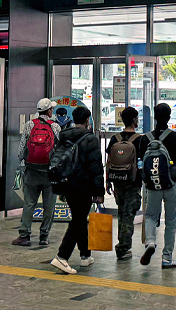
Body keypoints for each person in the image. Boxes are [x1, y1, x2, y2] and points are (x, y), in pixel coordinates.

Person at [51, 106, 104, 275]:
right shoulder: (91, 139)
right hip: (84, 186)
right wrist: (99, 192)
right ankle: (62, 256)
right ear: (88, 120)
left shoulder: (64, 136)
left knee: (79, 218)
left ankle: (85, 255)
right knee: (78, 220)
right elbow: (96, 167)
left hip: (67, 184)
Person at [138, 102, 176, 269]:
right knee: (171, 221)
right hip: (171, 184)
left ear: (155, 117)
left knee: (151, 216)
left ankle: (150, 242)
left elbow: (141, 162)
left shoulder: (145, 139)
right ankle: (167, 258)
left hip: (152, 185)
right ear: (169, 116)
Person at [12, 98, 62, 247]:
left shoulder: (29, 125)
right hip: (49, 173)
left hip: (31, 171)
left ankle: (24, 235)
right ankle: (44, 236)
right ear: (48, 111)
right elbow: (59, 150)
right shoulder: (55, 127)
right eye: (51, 109)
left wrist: (23, 165)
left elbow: (21, 151)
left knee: (29, 204)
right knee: (49, 206)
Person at [106, 107, 144, 260]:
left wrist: (108, 181)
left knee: (122, 213)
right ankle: (123, 247)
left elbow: (108, 161)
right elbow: (141, 163)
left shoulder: (115, 138)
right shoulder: (140, 139)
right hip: (133, 182)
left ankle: (122, 244)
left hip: (117, 181)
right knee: (128, 215)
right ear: (135, 120)